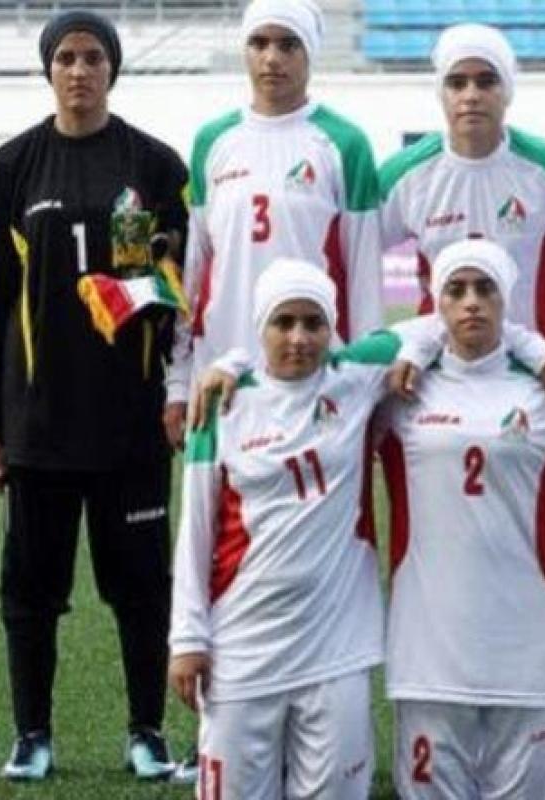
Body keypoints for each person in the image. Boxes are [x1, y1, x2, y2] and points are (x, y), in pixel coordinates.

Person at [0, 9, 185, 781]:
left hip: (131, 424)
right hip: (40, 426)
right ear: (48, 69)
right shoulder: (10, 169)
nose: (80, 70)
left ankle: (147, 732)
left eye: (93, 57)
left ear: (112, 69)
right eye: (67, 57)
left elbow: (184, 287)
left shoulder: (155, 164)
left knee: (143, 590)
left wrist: (153, 281)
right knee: (30, 592)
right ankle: (32, 735)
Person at [169, 259, 399, 800]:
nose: (299, 338)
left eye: (314, 323)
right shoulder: (222, 404)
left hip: (335, 650)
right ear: (261, 325)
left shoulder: (354, 379)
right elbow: (195, 532)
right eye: (283, 322)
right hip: (243, 648)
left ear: (331, 327)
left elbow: (427, 329)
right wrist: (187, 638)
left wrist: (537, 352)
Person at [379, 240, 545, 799]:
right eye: (455, 290)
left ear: (507, 300)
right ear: (436, 302)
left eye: (485, 289)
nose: (471, 302)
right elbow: (326, 357)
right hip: (429, 648)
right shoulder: (400, 390)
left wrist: (533, 347)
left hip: (528, 643)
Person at [165, 0, 383, 445]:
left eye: (288, 45)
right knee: (219, 492)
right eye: (259, 43)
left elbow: (364, 281)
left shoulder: (345, 144)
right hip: (221, 371)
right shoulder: (213, 141)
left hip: (316, 374)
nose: (271, 58)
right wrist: (179, 383)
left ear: (309, 53)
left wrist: (367, 382)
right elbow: (194, 272)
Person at [378, 23, 545, 344]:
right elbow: (353, 258)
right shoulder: (404, 175)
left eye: (486, 82)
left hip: (534, 363)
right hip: (441, 361)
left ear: (507, 91)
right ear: (441, 93)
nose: (471, 95)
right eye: (457, 83)